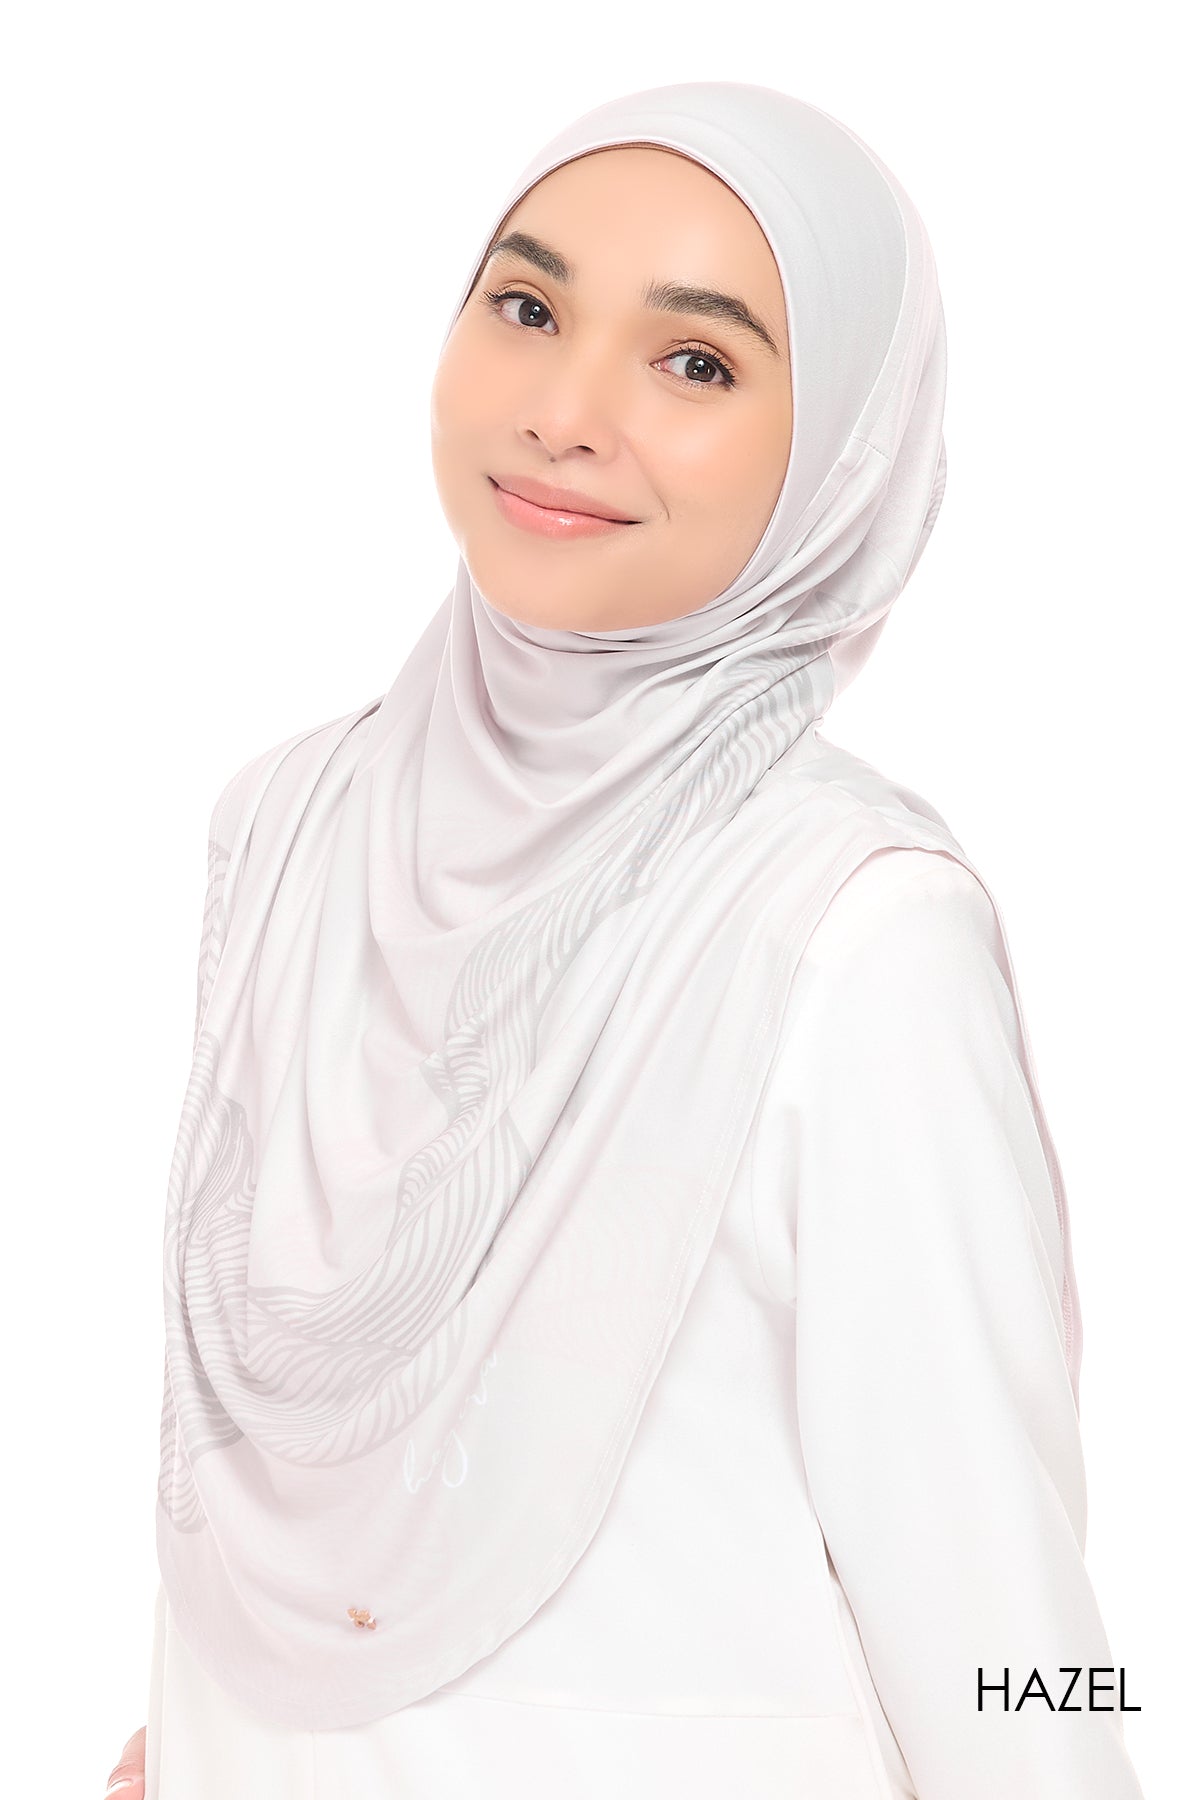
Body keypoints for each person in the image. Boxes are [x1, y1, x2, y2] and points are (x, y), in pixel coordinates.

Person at [104, 80, 1147, 1799]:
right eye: (527, 309)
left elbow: (998, 1605)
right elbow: (282, 1479)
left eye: (696, 362)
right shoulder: (285, 830)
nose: (565, 414)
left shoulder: (849, 927)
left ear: (841, 456)